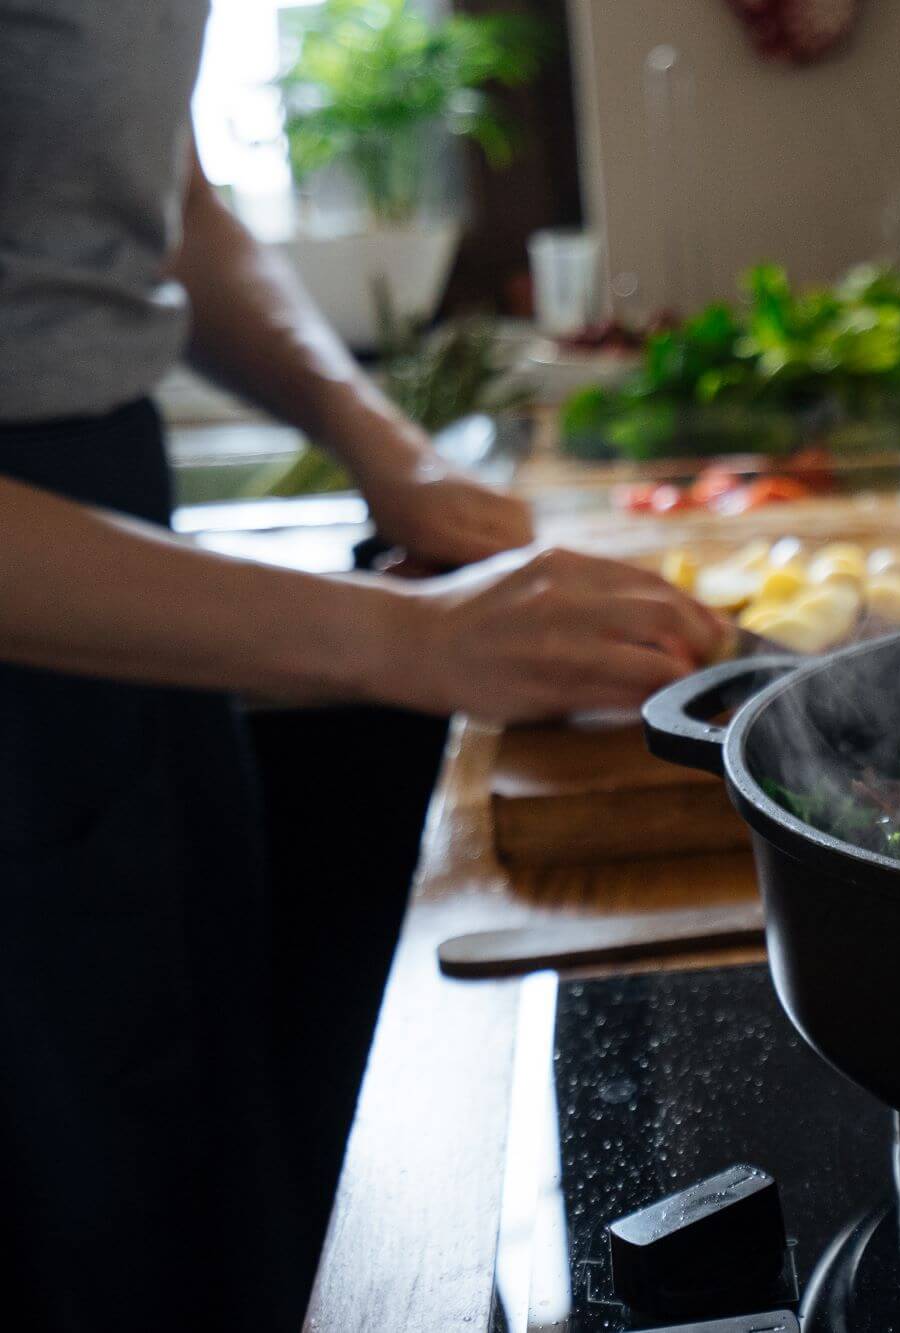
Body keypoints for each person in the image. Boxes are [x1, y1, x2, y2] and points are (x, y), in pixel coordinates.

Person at [0, 4, 720, 1327]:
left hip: (124, 550)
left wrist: (388, 445)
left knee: (203, 1168)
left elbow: (166, 195)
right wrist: (412, 637)